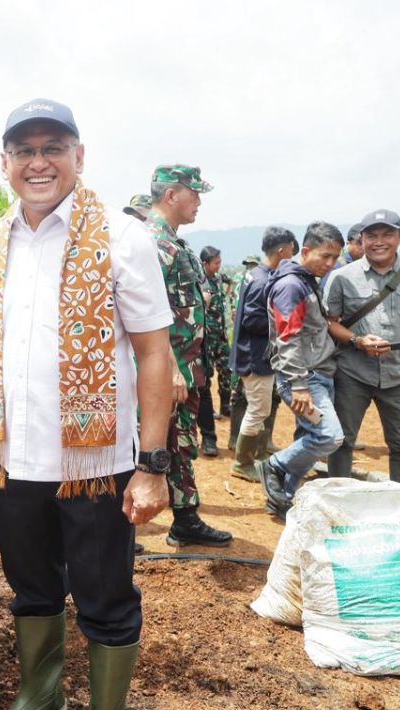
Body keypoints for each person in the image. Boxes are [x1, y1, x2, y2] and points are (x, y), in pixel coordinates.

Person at [0, 99, 173, 710]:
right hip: (13, 458)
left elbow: (153, 354)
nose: (37, 162)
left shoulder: (122, 237)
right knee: (31, 588)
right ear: (4, 164)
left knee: (105, 598)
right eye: (22, 150)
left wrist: (152, 465)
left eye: (52, 146)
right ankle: (41, 695)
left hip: (96, 464)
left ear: (79, 156)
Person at [145, 165, 232, 547]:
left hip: (185, 363)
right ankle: (118, 527)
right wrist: (170, 367)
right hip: (163, 368)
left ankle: (185, 518)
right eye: (194, 194)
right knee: (144, 445)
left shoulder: (175, 244)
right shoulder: (150, 243)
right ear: (172, 195)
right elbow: (144, 312)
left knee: (180, 441)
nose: (198, 202)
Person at [324, 209, 400, 483]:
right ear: (361, 239)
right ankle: (338, 504)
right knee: (341, 441)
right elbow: (330, 322)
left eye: (387, 234)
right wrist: (357, 340)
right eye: (372, 235)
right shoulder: (342, 277)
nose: (379, 241)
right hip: (352, 372)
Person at [258, 222, 346, 515]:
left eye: (335, 258)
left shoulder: (307, 279)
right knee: (328, 436)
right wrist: (299, 385)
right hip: (304, 378)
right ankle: (273, 465)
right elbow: (288, 338)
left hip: (318, 372)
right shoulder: (291, 285)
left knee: (308, 438)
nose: (330, 263)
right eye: (325, 256)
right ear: (305, 251)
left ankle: (282, 499)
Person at [229, 227, 296, 481]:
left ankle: (254, 456)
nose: (293, 254)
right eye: (291, 249)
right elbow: (250, 320)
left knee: (259, 408)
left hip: (253, 353)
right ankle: (242, 463)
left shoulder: (257, 274)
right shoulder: (262, 280)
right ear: (281, 250)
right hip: (255, 356)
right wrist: (282, 323)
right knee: (258, 409)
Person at [197, 245, 230, 455]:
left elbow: (229, 282)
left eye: (219, 261)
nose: (218, 265)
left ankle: (225, 408)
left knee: (226, 371)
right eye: (215, 262)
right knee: (204, 384)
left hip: (220, 335)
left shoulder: (218, 279)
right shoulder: (197, 281)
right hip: (203, 339)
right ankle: (202, 438)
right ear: (204, 264)